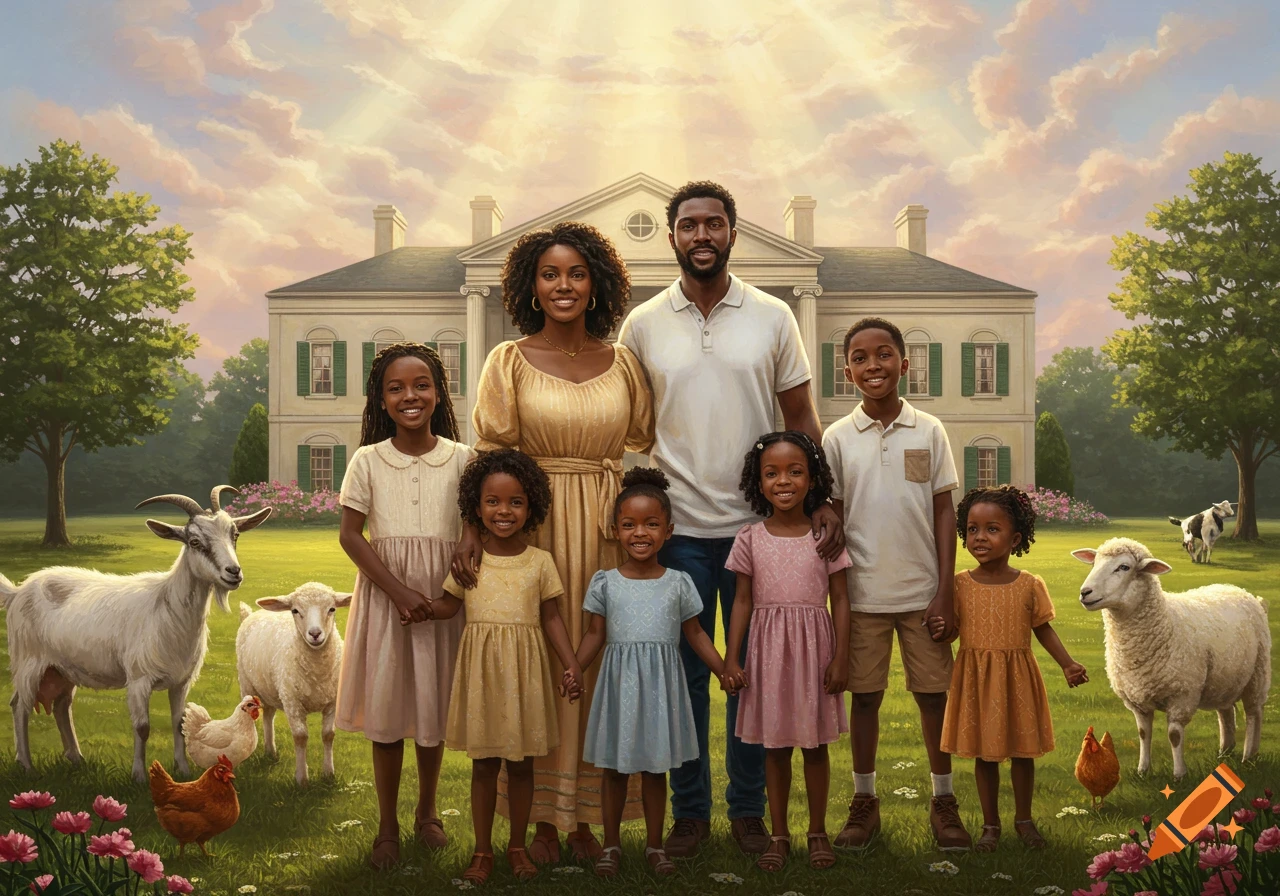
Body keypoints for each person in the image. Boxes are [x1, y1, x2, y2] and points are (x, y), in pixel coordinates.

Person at [617, 180, 846, 858]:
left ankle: (749, 812)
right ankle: (691, 811)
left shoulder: (773, 316)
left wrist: (823, 496)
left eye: (714, 223)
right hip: (678, 532)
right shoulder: (644, 323)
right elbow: (628, 426)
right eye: (689, 226)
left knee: (753, 672)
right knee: (686, 676)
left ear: (733, 234)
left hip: (760, 532)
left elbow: (801, 417)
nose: (702, 235)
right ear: (672, 238)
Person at [453, 221, 654, 862]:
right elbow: (488, 458)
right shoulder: (507, 360)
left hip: (602, 530)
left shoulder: (624, 362)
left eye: (576, 273)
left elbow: (644, 446)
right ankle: (539, 822)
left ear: (596, 282)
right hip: (531, 535)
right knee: (536, 668)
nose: (563, 285)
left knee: (595, 665)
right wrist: (472, 530)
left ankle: (589, 820)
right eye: (549, 274)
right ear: (530, 286)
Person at [820, 316, 971, 852]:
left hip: (921, 594)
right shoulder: (836, 437)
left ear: (904, 363)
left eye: (883, 354)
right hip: (861, 597)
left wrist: (944, 589)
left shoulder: (928, 429)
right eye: (859, 358)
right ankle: (864, 803)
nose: (872, 365)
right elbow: (832, 516)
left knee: (934, 699)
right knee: (866, 701)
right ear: (848, 372)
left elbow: (944, 512)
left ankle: (944, 799)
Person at [336, 343, 474, 870]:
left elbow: (471, 525)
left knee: (431, 707)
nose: (409, 395)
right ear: (382, 399)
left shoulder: (462, 458)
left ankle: (428, 812)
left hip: (442, 598)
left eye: (421, 385)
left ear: (438, 393)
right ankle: (387, 825)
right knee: (390, 710)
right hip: (387, 597)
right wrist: (398, 592)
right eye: (396, 388)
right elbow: (351, 536)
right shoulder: (367, 460)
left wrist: (447, 587)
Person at [429, 448, 584, 885]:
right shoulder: (469, 562)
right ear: (476, 508)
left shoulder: (540, 562)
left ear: (530, 506)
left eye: (515, 502)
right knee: (484, 765)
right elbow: (447, 604)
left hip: (526, 676)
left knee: (521, 766)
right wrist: (420, 608)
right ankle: (482, 851)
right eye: (493, 502)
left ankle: (517, 846)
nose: (504, 511)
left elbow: (552, 617)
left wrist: (571, 664)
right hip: (483, 676)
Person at [574, 468, 733, 878]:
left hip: (661, 688)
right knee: (613, 768)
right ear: (615, 530)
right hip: (617, 685)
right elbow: (595, 634)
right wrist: (574, 668)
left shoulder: (678, 583)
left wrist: (722, 670)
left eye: (650, 524)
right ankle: (610, 845)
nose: (639, 533)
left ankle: (654, 845)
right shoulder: (605, 583)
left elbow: (696, 633)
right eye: (629, 525)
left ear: (669, 531)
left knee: (654, 768)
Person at [723, 431, 852, 872]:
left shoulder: (825, 536)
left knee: (815, 746)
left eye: (795, 472)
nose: (784, 481)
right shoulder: (749, 538)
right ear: (758, 482)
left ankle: (817, 832)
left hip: (815, 654)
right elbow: (741, 601)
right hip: (767, 656)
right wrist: (731, 658)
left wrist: (841, 657)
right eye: (772, 473)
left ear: (812, 478)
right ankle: (778, 835)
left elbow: (842, 599)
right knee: (774, 748)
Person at [941, 485, 1089, 852]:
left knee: (1023, 752)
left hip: (1017, 678)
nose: (980, 537)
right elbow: (953, 629)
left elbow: (1043, 629)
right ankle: (990, 825)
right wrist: (940, 628)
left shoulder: (1028, 584)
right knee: (984, 754)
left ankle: (1024, 820)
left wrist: (1068, 664)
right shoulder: (959, 585)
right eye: (972, 529)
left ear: (1015, 537)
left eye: (992, 529)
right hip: (976, 678)